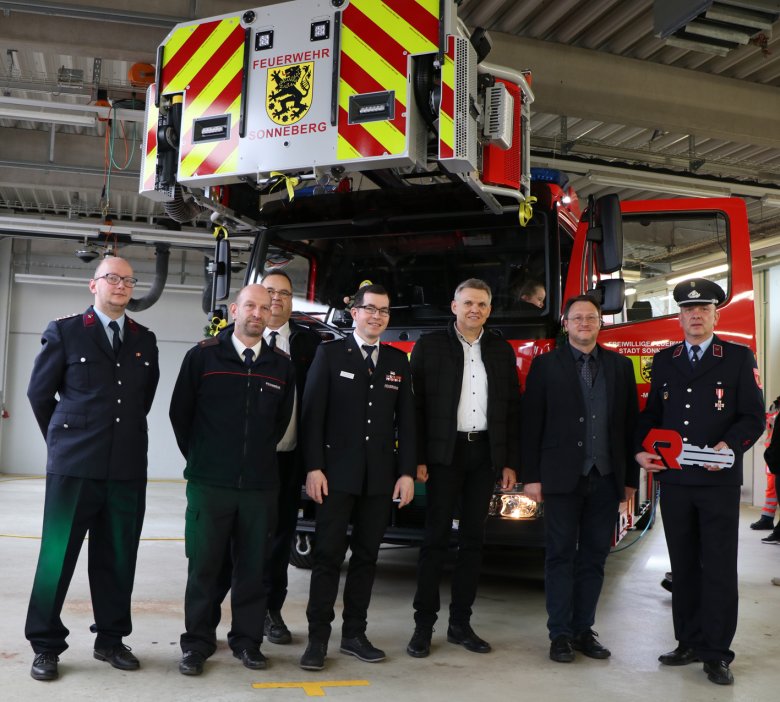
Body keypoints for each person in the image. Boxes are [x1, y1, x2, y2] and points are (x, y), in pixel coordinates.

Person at [25, 256, 160, 681]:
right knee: (56, 557)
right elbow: (38, 394)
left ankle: (111, 639)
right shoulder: (65, 331)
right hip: (74, 467)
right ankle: (45, 645)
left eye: (128, 280)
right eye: (112, 278)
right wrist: (65, 441)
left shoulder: (144, 338)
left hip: (124, 467)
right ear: (94, 285)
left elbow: (144, 399)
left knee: (119, 557)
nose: (121, 285)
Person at [635, 278, 764, 686]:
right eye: (689, 310)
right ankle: (688, 641)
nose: (696, 315)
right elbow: (652, 416)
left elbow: (753, 417)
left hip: (718, 483)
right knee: (684, 565)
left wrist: (729, 445)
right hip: (676, 482)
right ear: (679, 316)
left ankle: (716, 652)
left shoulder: (738, 358)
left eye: (704, 309)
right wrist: (643, 450)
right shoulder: (666, 359)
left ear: (715, 315)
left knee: (719, 568)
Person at [170, 284, 295, 676]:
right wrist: (206, 459)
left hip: (259, 487)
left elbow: (279, 423)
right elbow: (181, 416)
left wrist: (252, 459)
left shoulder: (280, 365)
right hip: (210, 484)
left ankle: (247, 641)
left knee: (253, 569)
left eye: (266, 307)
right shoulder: (203, 357)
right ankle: (197, 644)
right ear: (235, 309)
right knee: (204, 567)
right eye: (251, 306)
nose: (259, 313)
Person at [299, 283, 415, 671]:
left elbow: (408, 424)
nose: (377, 316)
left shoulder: (398, 362)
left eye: (384, 311)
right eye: (371, 309)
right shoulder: (330, 354)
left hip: (379, 480)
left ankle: (354, 634)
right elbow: (312, 415)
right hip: (334, 477)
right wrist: (313, 467)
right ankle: (317, 640)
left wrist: (406, 474)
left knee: (367, 558)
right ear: (355, 313)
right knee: (328, 558)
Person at [520, 294, 639, 663]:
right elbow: (531, 425)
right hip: (560, 479)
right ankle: (559, 634)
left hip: (605, 479)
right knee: (559, 556)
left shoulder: (621, 367)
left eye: (591, 317)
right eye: (577, 318)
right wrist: (532, 477)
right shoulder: (545, 366)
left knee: (593, 557)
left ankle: (583, 629)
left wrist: (629, 482)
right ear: (565, 323)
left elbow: (630, 428)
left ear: (600, 323)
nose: (584, 323)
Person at [406, 278, 519, 658]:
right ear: (454, 307)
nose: (475, 310)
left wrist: (509, 462)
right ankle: (423, 626)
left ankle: (460, 624)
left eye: (483, 304)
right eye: (468, 302)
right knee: (434, 539)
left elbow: (511, 410)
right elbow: (415, 408)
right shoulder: (430, 346)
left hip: (484, 455)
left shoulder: (502, 351)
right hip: (443, 455)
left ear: (490, 309)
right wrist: (417, 458)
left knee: (473, 541)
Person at [212, 270, 322, 644]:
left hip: (289, 460)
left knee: (278, 540)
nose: (276, 299)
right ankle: (212, 616)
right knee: (230, 541)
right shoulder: (223, 344)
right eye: (269, 292)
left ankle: (270, 612)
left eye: (285, 293)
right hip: (239, 462)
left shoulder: (312, 344)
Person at [753, 396, 779, 536]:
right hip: (772, 453)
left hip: (774, 452)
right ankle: (767, 518)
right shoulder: (775, 406)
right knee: (771, 487)